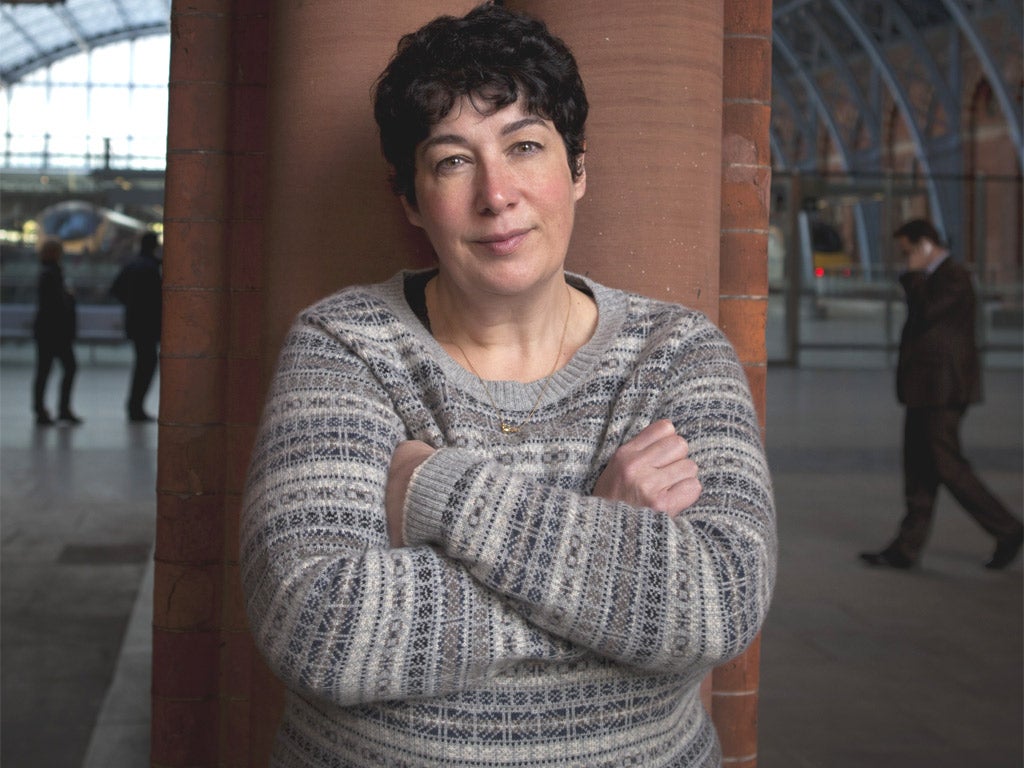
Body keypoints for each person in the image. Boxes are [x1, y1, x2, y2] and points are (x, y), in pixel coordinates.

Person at [241, 5, 776, 767]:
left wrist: (435, 489)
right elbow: (318, 629)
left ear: (578, 168)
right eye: (452, 161)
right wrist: (609, 550)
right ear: (410, 198)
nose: (497, 194)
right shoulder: (346, 345)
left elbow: (718, 604)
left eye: (525, 146)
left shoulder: (677, 354)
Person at [860, 218, 1023, 570]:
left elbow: (926, 313)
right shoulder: (939, 277)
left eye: (908, 251)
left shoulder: (954, 277)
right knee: (918, 468)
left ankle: (1008, 528)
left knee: (948, 466)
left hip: (943, 391)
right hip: (924, 390)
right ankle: (905, 548)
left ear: (924, 245)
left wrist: (914, 274)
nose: (906, 259)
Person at [111, 231, 162, 422]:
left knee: (142, 363)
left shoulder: (133, 265)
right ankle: (136, 407)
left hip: (135, 322)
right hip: (149, 324)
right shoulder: (151, 268)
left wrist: (132, 304)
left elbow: (115, 289)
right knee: (146, 365)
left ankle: (135, 406)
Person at [32, 238, 81, 426]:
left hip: (47, 330)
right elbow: (56, 304)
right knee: (67, 367)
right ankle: (61, 408)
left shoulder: (47, 273)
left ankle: (42, 409)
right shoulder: (53, 274)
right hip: (56, 331)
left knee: (44, 370)